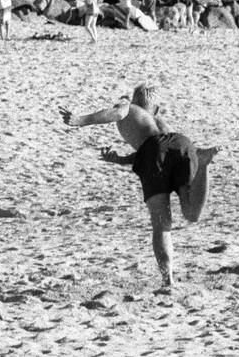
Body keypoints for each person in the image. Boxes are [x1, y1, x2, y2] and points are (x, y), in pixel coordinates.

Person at [59, 85, 218, 289]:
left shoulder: (129, 106)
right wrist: (121, 160)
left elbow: (119, 114)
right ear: (156, 108)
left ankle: (167, 280)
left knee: (161, 223)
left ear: (135, 100)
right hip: (183, 144)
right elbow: (160, 147)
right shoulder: (158, 121)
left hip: (152, 152)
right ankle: (203, 164)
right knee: (191, 213)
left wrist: (80, 120)